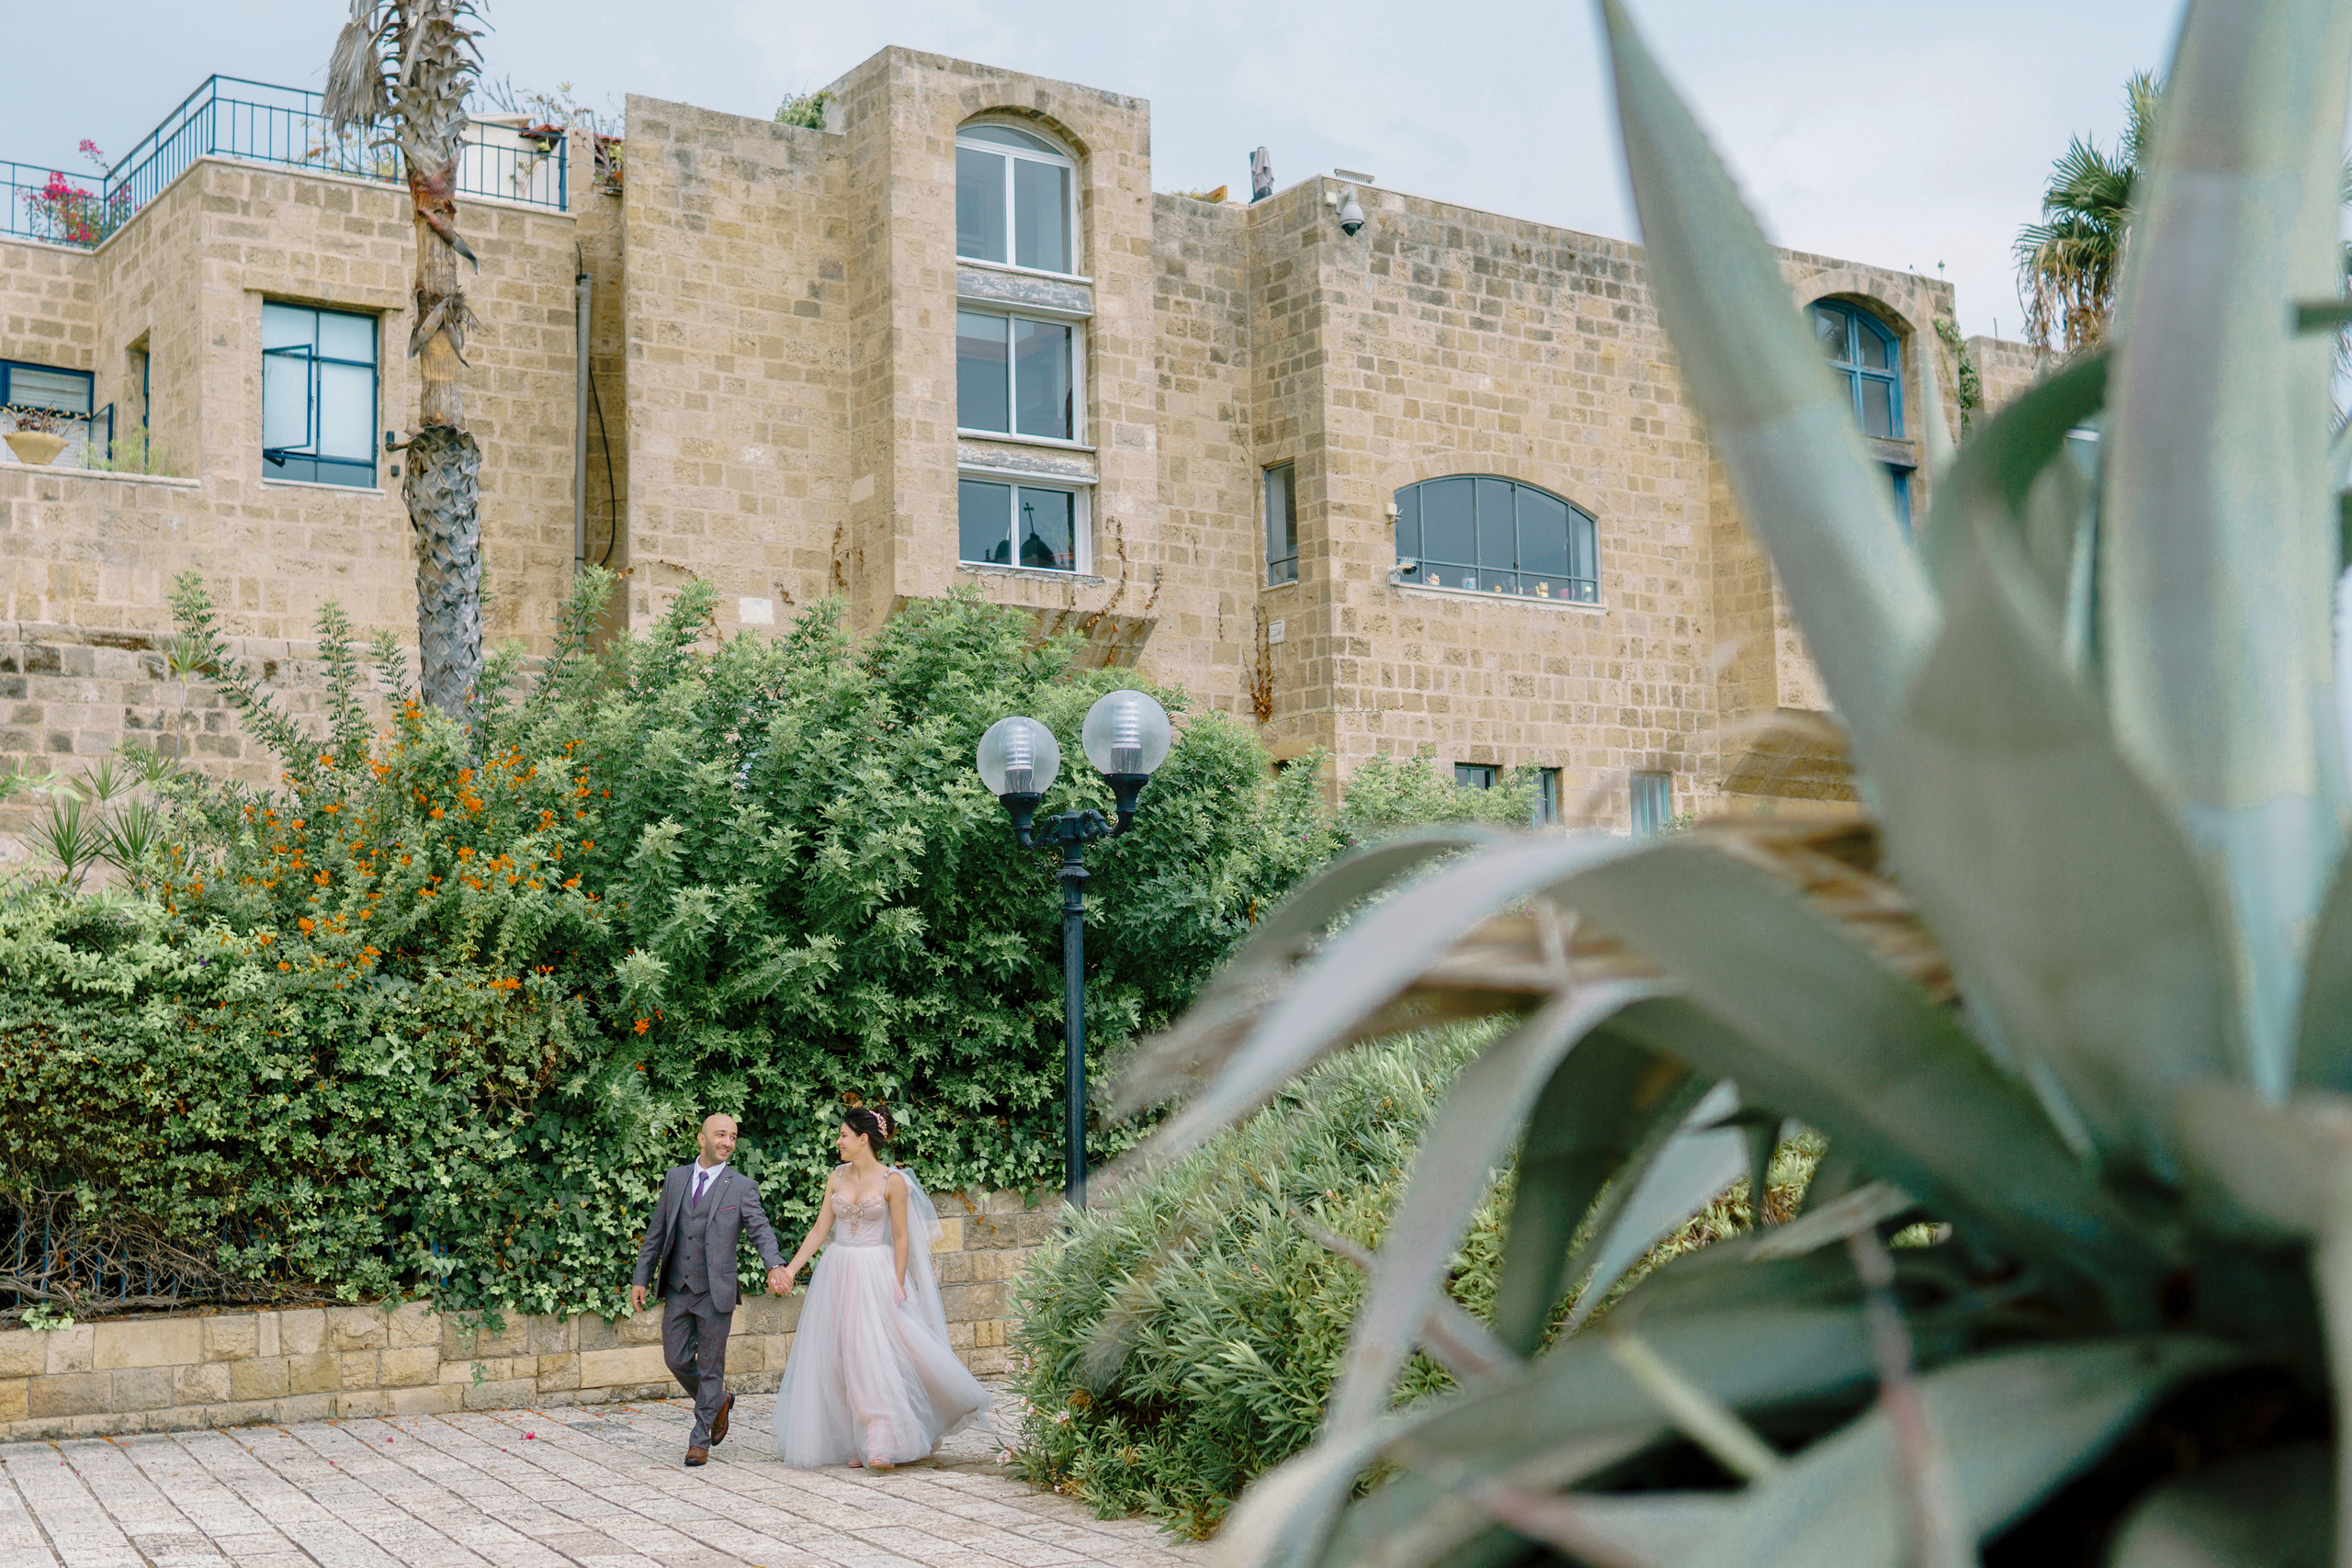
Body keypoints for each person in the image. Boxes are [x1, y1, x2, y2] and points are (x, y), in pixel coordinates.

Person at [770, 1106, 993, 1469]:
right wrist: (791, 1269)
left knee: (874, 1352)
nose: (838, 1141)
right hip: (838, 1270)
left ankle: (881, 1440)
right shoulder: (836, 1177)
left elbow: (902, 1236)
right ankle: (856, 1442)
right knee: (841, 1356)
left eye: (843, 1135)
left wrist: (898, 1280)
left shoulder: (894, 1182)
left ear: (863, 1139)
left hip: (876, 1269)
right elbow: (819, 1230)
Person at [630, 1111, 789, 1468]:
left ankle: (699, 1441)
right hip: (678, 1286)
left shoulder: (742, 1186)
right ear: (701, 1139)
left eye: (733, 1137)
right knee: (676, 1359)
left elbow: (760, 1229)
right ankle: (718, 1402)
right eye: (720, 1135)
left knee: (711, 1367)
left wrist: (774, 1264)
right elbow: (656, 1233)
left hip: (716, 1290)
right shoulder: (675, 1179)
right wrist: (641, 1277)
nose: (727, 1143)